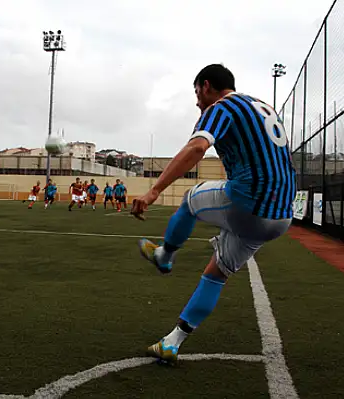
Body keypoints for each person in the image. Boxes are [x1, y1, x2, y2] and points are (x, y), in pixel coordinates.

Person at [132, 64, 296, 366]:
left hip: (250, 200)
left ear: (207, 86)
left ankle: (165, 256)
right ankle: (171, 342)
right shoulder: (261, 106)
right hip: (282, 215)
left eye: (197, 93)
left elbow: (197, 147)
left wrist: (154, 190)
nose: (197, 101)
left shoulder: (223, 105)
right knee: (215, 274)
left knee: (190, 200)